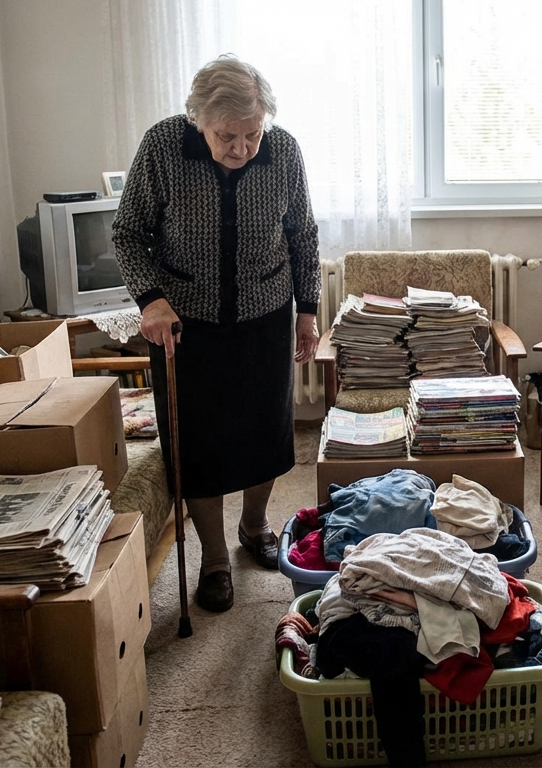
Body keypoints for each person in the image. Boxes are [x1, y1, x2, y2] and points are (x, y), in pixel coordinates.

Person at [114, 56, 320, 613]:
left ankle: (254, 527)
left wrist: (308, 309)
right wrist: (151, 299)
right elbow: (128, 233)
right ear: (197, 120)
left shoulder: (284, 151)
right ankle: (213, 557)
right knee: (198, 442)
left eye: (252, 134)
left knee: (264, 430)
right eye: (227, 136)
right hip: (186, 322)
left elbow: (302, 232)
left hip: (265, 311)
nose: (242, 148)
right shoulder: (162, 147)